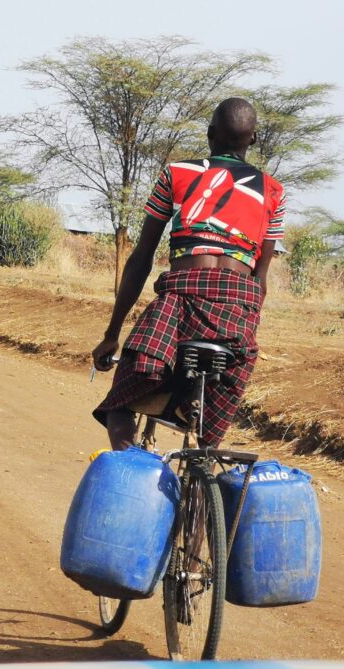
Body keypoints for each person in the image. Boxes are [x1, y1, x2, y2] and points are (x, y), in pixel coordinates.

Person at [91, 97, 286, 451]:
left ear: (210, 134)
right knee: (214, 414)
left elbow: (141, 258)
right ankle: (204, 462)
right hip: (236, 312)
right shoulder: (273, 191)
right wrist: (245, 332)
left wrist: (111, 334)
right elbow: (260, 280)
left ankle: (133, 473)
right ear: (253, 140)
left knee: (118, 403)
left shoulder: (177, 174)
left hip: (181, 301)